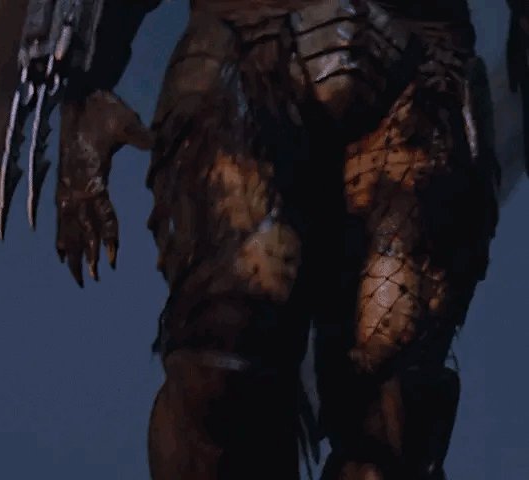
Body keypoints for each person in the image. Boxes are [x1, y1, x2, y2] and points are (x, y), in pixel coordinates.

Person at [51, 0, 501, 478]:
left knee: (392, 405)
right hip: (245, 42)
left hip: (420, 66)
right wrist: (84, 83)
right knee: (222, 362)